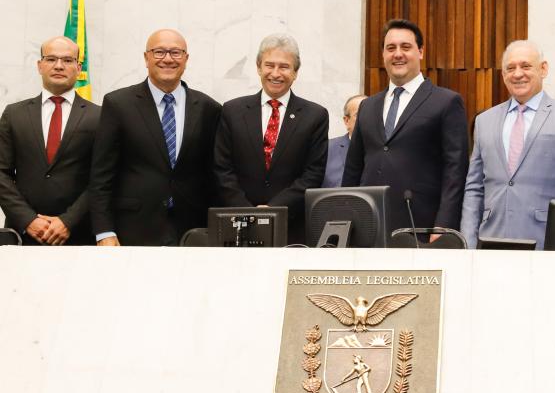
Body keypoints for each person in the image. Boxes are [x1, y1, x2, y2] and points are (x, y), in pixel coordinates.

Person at [89, 29, 222, 246]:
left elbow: (213, 174)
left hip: (192, 231)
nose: (167, 59)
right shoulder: (118, 104)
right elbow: (101, 175)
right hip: (131, 228)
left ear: (186, 59)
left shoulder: (209, 109)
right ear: (146, 57)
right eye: (159, 52)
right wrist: (104, 231)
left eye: (176, 53)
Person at [461, 40, 555, 249]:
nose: (517, 74)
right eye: (510, 68)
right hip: (490, 242)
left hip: (549, 243)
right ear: (503, 75)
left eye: (525, 66)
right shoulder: (484, 121)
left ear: (543, 69)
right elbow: (474, 189)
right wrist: (468, 245)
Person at [342, 19, 469, 235]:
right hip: (368, 227)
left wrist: (444, 226)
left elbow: (455, 171)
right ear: (383, 54)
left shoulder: (446, 102)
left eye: (406, 47)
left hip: (422, 228)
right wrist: (345, 219)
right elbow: (353, 169)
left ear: (420, 52)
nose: (397, 54)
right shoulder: (368, 106)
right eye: (390, 48)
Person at [213, 34, 328, 245]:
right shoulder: (232, 111)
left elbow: (313, 173)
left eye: (284, 67)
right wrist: (247, 213)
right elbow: (222, 168)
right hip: (237, 225)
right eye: (269, 65)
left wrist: (274, 210)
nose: (276, 73)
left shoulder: (315, 115)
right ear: (258, 68)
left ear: (295, 72)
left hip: (291, 226)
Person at [0, 36, 100, 245]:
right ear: (40, 65)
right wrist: (28, 220)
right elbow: (2, 173)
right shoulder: (14, 114)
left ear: (78, 67)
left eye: (67, 60)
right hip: (23, 234)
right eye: (51, 59)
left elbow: (101, 178)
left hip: (79, 235)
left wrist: (68, 221)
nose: (59, 66)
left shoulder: (99, 116)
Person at [322, 94, 366, 188]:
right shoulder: (326, 149)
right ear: (346, 121)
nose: (367, 119)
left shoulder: (384, 150)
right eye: (359, 114)